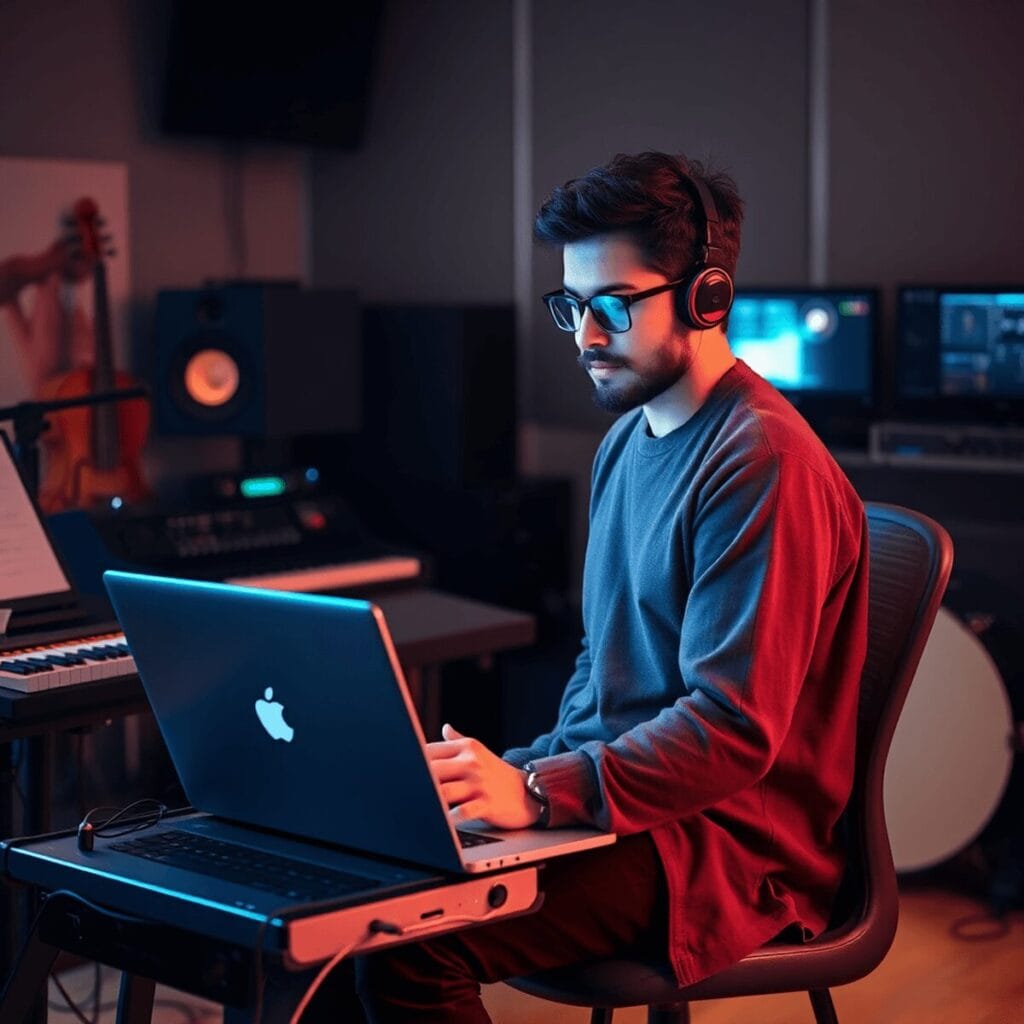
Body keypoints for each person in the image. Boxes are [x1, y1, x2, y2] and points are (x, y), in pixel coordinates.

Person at [355, 151, 869, 1022]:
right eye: (573, 307)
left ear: (708, 297)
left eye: (615, 307)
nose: (587, 338)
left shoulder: (763, 463)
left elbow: (733, 729)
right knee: (347, 901)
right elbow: (605, 659)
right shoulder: (627, 442)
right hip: (623, 809)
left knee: (407, 946)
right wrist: (521, 779)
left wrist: (539, 795)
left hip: (721, 846)